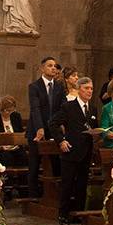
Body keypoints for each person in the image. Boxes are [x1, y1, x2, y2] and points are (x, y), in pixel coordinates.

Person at [49, 77, 97, 225]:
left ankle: (79, 214)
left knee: (82, 185)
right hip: (71, 151)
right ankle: (63, 214)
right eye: (86, 88)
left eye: (91, 88)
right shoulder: (68, 107)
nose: (89, 91)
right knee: (67, 184)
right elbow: (53, 123)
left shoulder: (93, 109)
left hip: (86, 151)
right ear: (79, 90)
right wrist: (61, 140)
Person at [26, 56, 66, 198]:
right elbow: (35, 108)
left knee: (55, 162)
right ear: (42, 68)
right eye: (49, 65)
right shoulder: (34, 87)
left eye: (55, 66)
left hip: (53, 130)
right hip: (37, 129)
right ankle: (33, 194)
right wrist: (39, 128)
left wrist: (61, 124)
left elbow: (62, 107)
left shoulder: (60, 87)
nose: (53, 68)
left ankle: (52, 195)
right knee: (35, 163)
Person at [0, 95, 27, 169]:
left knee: (24, 156)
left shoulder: (16, 116)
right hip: (1, 150)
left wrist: (18, 143)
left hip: (16, 148)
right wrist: (0, 147)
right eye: (5, 110)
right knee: (6, 157)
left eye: (10, 110)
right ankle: (7, 179)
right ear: (0, 109)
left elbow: (20, 133)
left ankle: (22, 179)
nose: (7, 112)